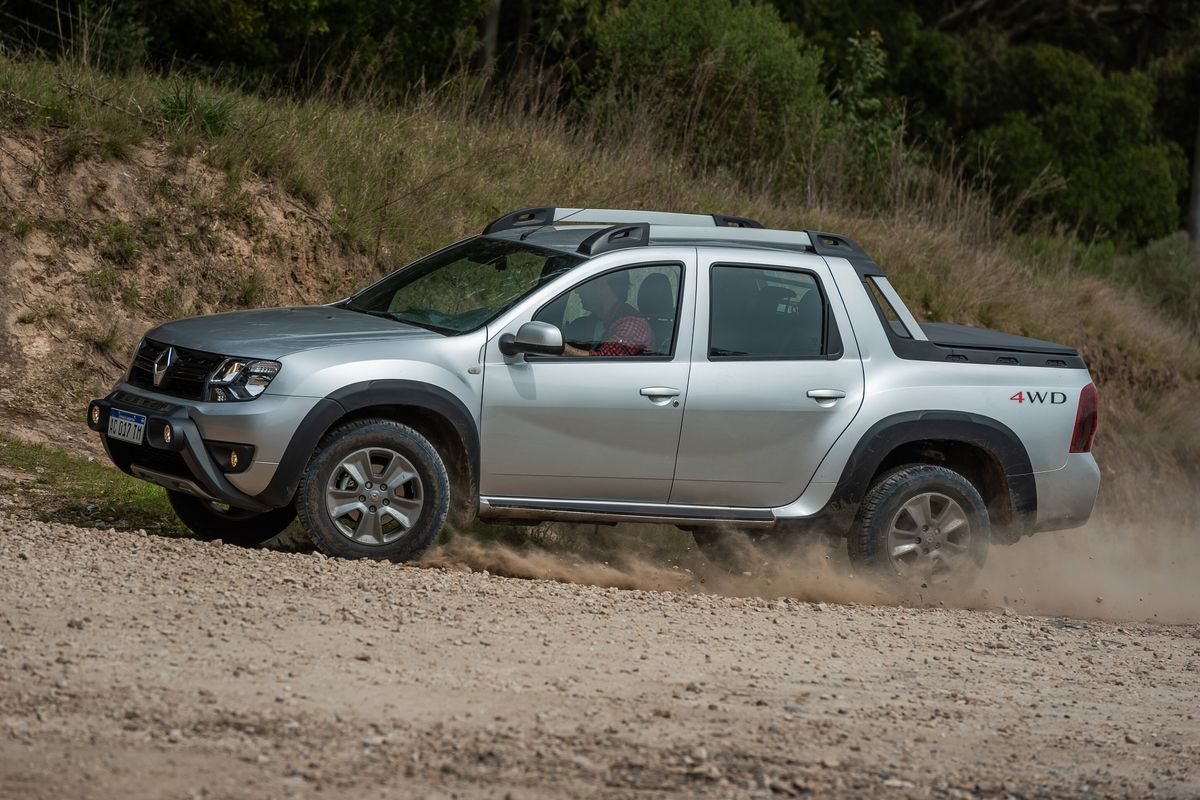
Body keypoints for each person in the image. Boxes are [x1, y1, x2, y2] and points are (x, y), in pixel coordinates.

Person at [561, 271, 653, 357]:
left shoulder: (633, 325)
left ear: (601, 284)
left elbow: (602, 362)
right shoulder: (593, 321)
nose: (577, 291)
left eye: (584, 283)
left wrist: (562, 348)